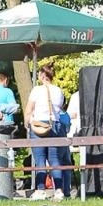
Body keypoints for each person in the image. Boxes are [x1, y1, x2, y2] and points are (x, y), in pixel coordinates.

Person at [27, 63, 70, 199]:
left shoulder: (36, 90)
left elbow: (28, 110)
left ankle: (40, 190)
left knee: (40, 159)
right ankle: (58, 190)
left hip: (39, 125)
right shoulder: (58, 91)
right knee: (55, 159)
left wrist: (28, 122)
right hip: (55, 125)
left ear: (41, 75)